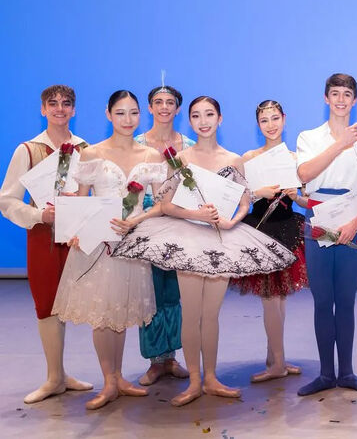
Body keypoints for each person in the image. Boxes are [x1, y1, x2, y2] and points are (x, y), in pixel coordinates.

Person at [111, 96, 297, 406]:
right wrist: (196, 215)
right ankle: (194, 381)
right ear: (191, 122)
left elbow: (243, 202)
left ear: (220, 119)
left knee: (211, 316)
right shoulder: (180, 159)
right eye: (196, 116)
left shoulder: (234, 160)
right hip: (187, 239)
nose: (203, 120)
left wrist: (230, 221)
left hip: (222, 241)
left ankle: (211, 378)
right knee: (191, 315)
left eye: (209, 114)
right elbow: (166, 204)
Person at [51, 90, 164, 409]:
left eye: (133, 113)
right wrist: (76, 230)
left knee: (120, 311)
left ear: (140, 115)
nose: (127, 120)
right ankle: (108, 381)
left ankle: (119, 377)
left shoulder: (151, 156)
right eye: (120, 113)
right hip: (96, 245)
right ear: (108, 114)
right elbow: (82, 198)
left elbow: (161, 204)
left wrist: (137, 220)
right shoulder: (91, 154)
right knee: (102, 316)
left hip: (132, 243)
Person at [0, 85, 93, 403]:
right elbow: (7, 200)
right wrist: (40, 214)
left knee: (72, 304)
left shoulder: (85, 148)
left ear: (74, 110)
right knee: (46, 304)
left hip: (78, 236)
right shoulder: (27, 150)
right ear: (43, 109)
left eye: (66, 104)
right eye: (52, 103)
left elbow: (95, 193)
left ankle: (61, 375)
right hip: (42, 236)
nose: (59, 108)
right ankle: (54, 377)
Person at [295, 74, 357, 396]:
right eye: (335, 94)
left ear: (355, 100)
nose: (341, 100)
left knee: (346, 301)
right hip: (317, 220)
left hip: (351, 223)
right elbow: (304, 174)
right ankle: (324, 374)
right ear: (326, 98)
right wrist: (339, 144)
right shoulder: (309, 136)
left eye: (347, 94)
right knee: (322, 301)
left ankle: (346, 372)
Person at [230, 100, 309, 382]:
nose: (271, 125)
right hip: (260, 230)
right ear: (258, 124)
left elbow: (305, 198)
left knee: (281, 299)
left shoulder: (294, 156)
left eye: (275, 118)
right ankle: (278, 362)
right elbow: (236, 197)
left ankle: (275, 358)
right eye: (265, 120)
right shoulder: (249, 157)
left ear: (284, 119)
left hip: (287, 228)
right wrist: (256, 192)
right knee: (270, 299)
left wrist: (294, 195)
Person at [133, 84, 192, 386]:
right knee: (151, 291)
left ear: (178, 108)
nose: (164, 107)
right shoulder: (137, 145)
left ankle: (172, 357)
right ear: (150, 107)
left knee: (175, 291)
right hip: (146, 223)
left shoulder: (190, 144)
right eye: (158, 102)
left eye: (170, 102)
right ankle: (155, 360)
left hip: (181, 223)